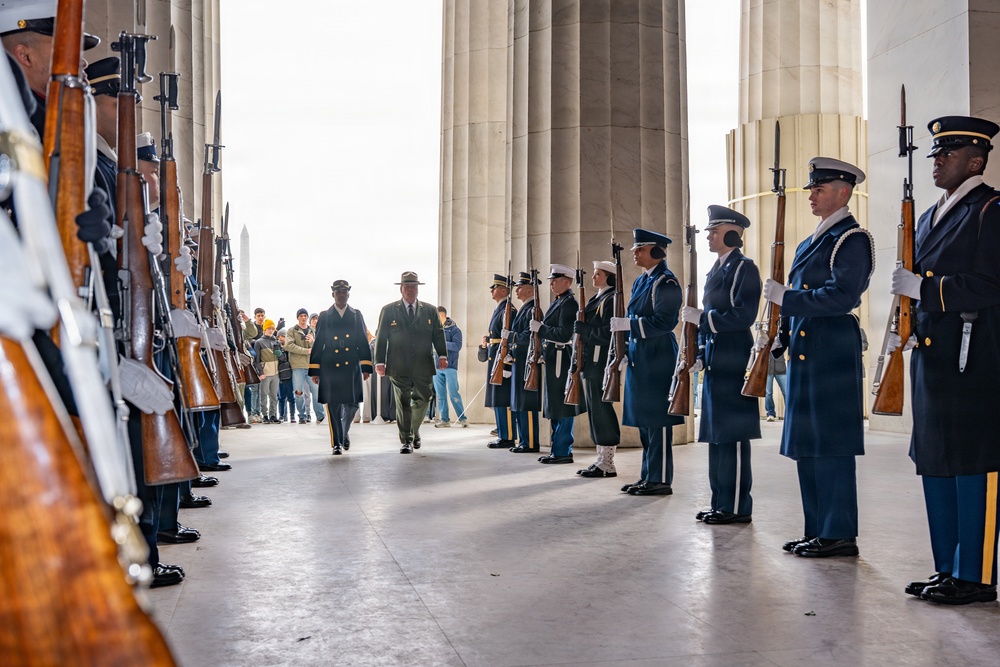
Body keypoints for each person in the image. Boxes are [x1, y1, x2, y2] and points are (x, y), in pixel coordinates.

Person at [889, 116, 1000, 605]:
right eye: (935, 154)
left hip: (975, 359)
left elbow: (991, 284)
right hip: (934, 359)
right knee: (937, 463)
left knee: (975, 465)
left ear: (975, 161)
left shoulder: (990, 210)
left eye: (946, 154)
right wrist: (905, 328)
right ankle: (947, 568)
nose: (936, 161)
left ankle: (974, 576)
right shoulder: (933, 213)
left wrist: (926, 290)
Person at [765, 157, 872, 558]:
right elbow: (800, 299)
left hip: (831, 348)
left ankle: (839, 532)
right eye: (811, 188)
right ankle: (817, 529)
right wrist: (783, 337)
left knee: (832, 445)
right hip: (808, 349)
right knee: (808, 444)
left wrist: (787, 298)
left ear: (843, 193)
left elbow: (842, 296)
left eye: (819, 189)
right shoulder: (809, 242)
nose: (811, 195)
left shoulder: (852, 239)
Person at [682, 205, 762, 524]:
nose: (710, 236)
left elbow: (744, 315)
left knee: (735, 436)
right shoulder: (715, 270)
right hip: (716, 357)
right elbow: (706, 323)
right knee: (716, 435)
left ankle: (739, 507)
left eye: (715, 231)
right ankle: (721, 502)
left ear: (733, 233)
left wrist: (705, 319)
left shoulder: (744, 269)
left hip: (735, 357)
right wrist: (700, 352)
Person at [614, 229, 683, 496]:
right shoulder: (643, 281)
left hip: (658, 356)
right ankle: (648, 476)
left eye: (640, 249)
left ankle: (661, 479)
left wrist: (629, 325)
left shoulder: (666, 282)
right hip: (641, 355)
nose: (634, 253)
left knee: (658, 421)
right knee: (645, 421)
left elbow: (665, 322)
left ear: (655, 250)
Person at [374, 271, 448, 453]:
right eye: (407, 286)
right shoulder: (389, 310)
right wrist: (379, 361)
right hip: (398, 364)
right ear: (401, 289)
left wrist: (442, 355)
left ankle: (414, 430)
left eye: (413, 286)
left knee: (424, 397)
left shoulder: (430, 310)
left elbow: (438, 334)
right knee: (403, 400)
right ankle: (406, 440)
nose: (410, 290)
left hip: (423, 364)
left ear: (418, 289)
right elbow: (381, 337)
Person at [309, 280, 372, 455]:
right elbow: (319, 342)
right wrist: (315, 369)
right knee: (333, 405)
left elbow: (362, 341)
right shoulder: (325, 316)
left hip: (351, 364)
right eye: (338, 292)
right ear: (333, 294)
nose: (341, 295)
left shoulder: (356, 315)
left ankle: (344, 431)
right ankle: (336, 442)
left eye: (344, 292)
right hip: (331, 366)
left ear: (348, 294)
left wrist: (366, 366)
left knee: (352, 404)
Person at [530, 264, 585, 464]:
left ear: (567, 282)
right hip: (553, 358)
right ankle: (557, 448)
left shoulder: (569, 303)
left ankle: (563, 450)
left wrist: (541, 329)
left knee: (563, 406)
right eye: (551, 280)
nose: (551, 283)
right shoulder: (559, 301)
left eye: (555, 280)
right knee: (555, 405)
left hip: (562, 358)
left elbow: (564, 334)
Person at [574, 261, 621, 478]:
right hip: (591, 361)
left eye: (598, 274)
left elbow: (608, 334)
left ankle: (608, 462)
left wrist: (585, 330)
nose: (593, 277)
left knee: (601, 410)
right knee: (595, 410)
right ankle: (601, 459)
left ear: (609, 277)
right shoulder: (599, 298)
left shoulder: (610, 299)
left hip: (600, 360)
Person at [480, 274, 517, 448]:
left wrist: (508, 363)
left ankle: (508, 436)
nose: (491, 291)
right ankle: (503, 433)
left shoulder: (508, 309)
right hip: (495, 357)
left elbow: (510, 337)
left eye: (494, 288)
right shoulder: (500, 308)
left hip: (502, 359)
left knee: (503, 398)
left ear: (503, 290)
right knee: (497, 397)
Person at [508, 271, 542, 453]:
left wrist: (511, 336)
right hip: (518, 360)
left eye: (520, 287)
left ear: (530, 290)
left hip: (526, 361)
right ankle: (523, 440)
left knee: (527, 403)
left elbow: (529, 336)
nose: (516, 290)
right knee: (519, 402)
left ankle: (530, 442)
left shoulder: (532, 310)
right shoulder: (524, 309)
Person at [433, 305, 468, 427]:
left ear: (442, 315)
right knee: (440, 395)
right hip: (436, 367)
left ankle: (462, 418)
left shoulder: (455, 330)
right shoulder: (433, 329)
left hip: (450, 366)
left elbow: (457, 346)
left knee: (453, 393)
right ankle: (444, 420)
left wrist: (441, 343)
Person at [286, 307, 322, 424]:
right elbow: (288, 346)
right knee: (298, 393)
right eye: (301, 316)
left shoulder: (313, 331)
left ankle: (320, 416)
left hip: (311, 366)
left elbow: (320, 348)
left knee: (316, 392)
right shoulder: (291, 331)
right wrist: (305, 351)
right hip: (298, 366)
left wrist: (312, 341)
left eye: (305, 316)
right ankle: (301, 416)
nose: (303, 318)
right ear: (298, 318)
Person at [253, 319, 282, 423]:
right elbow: (256, 360)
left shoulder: (276, 341)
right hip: (265, 373)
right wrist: (261, 372)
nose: (271, 330)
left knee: (274, 396)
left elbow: (282, 358)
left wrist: (280, 354)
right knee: (263, 395)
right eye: (269, 328)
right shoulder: (259, 342)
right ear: (265, 329)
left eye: (273, 329)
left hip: (275, 373)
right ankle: (265, 415)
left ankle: (273, 415)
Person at [275, 329, 294, 422]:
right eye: (279, 336)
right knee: (281, 397)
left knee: (291, 397)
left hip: (290, 374)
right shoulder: (277, 347)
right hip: (280, 375)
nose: (280, 338)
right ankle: (282, 415)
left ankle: (292, 416)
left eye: (282, 336)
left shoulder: (290, 348)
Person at [764, 353, 787, 421]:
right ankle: (770, 414)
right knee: (768, 394)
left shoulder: (780, 341)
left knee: (787, 392)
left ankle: (789, 413)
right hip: (767, 368)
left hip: (781, 368)